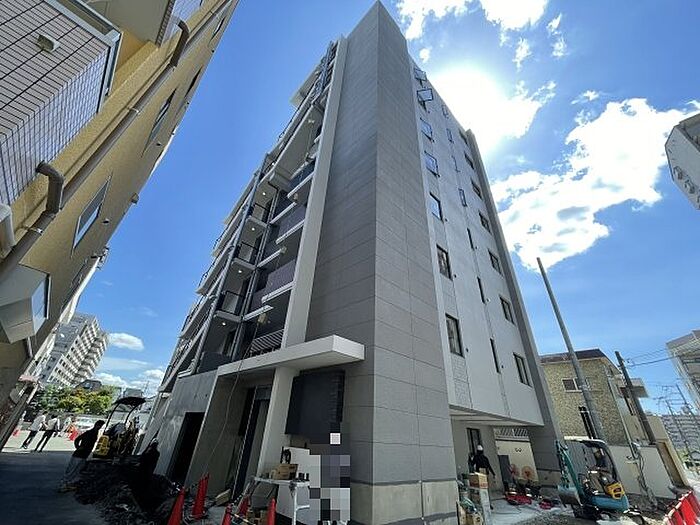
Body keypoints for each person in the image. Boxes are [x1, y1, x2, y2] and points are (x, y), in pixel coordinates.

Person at [60, 420, 105, 491]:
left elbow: (78, 440)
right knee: (71, 470)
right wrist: (78, 447)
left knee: (76, 470)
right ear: (96, 425)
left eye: (100, 426)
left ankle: (68, 484)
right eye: (99, 425)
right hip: (79, 454)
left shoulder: (94, 433)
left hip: (84, 455)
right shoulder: (89, 433)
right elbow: (77, 439)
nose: (99, 427)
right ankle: (63, 485)